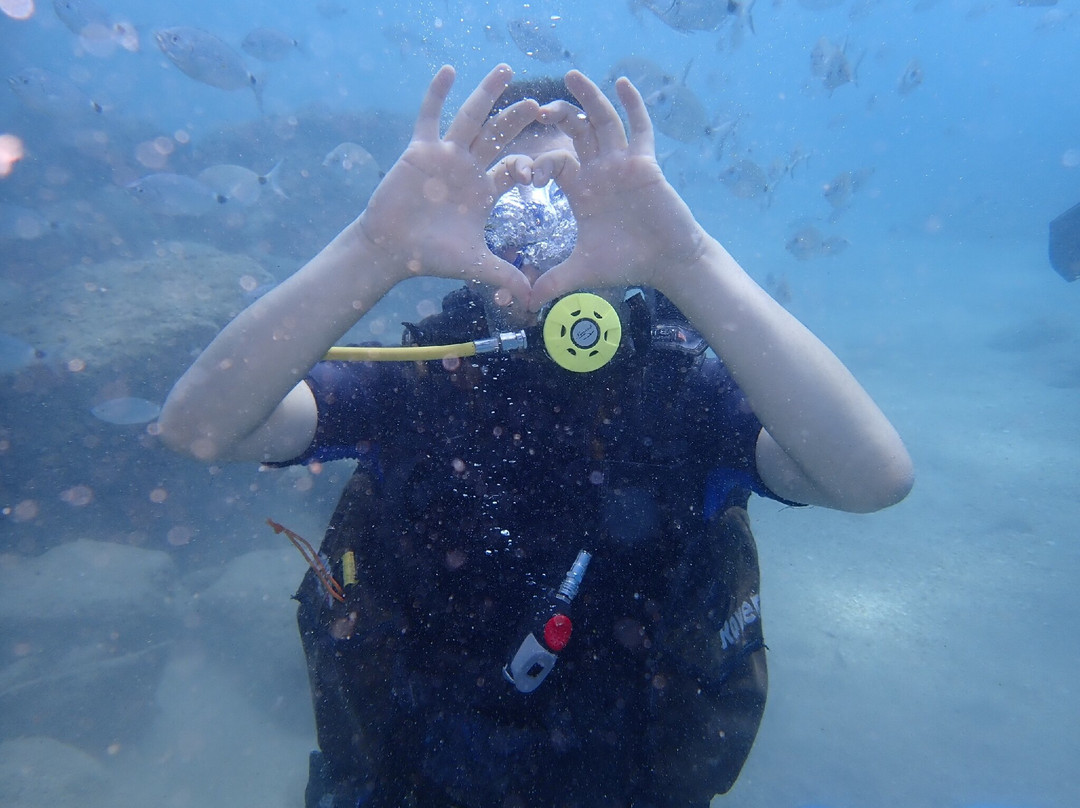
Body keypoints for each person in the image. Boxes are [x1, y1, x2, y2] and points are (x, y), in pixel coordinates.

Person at [159, 64, 913, 808]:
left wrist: (688, 260)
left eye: (570, 193)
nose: (541, 229)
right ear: (467, 217)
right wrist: (375, 247)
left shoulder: (681, 394)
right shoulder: (422, 380)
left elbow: (872, 478)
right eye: (510, 196)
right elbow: (200, 428)